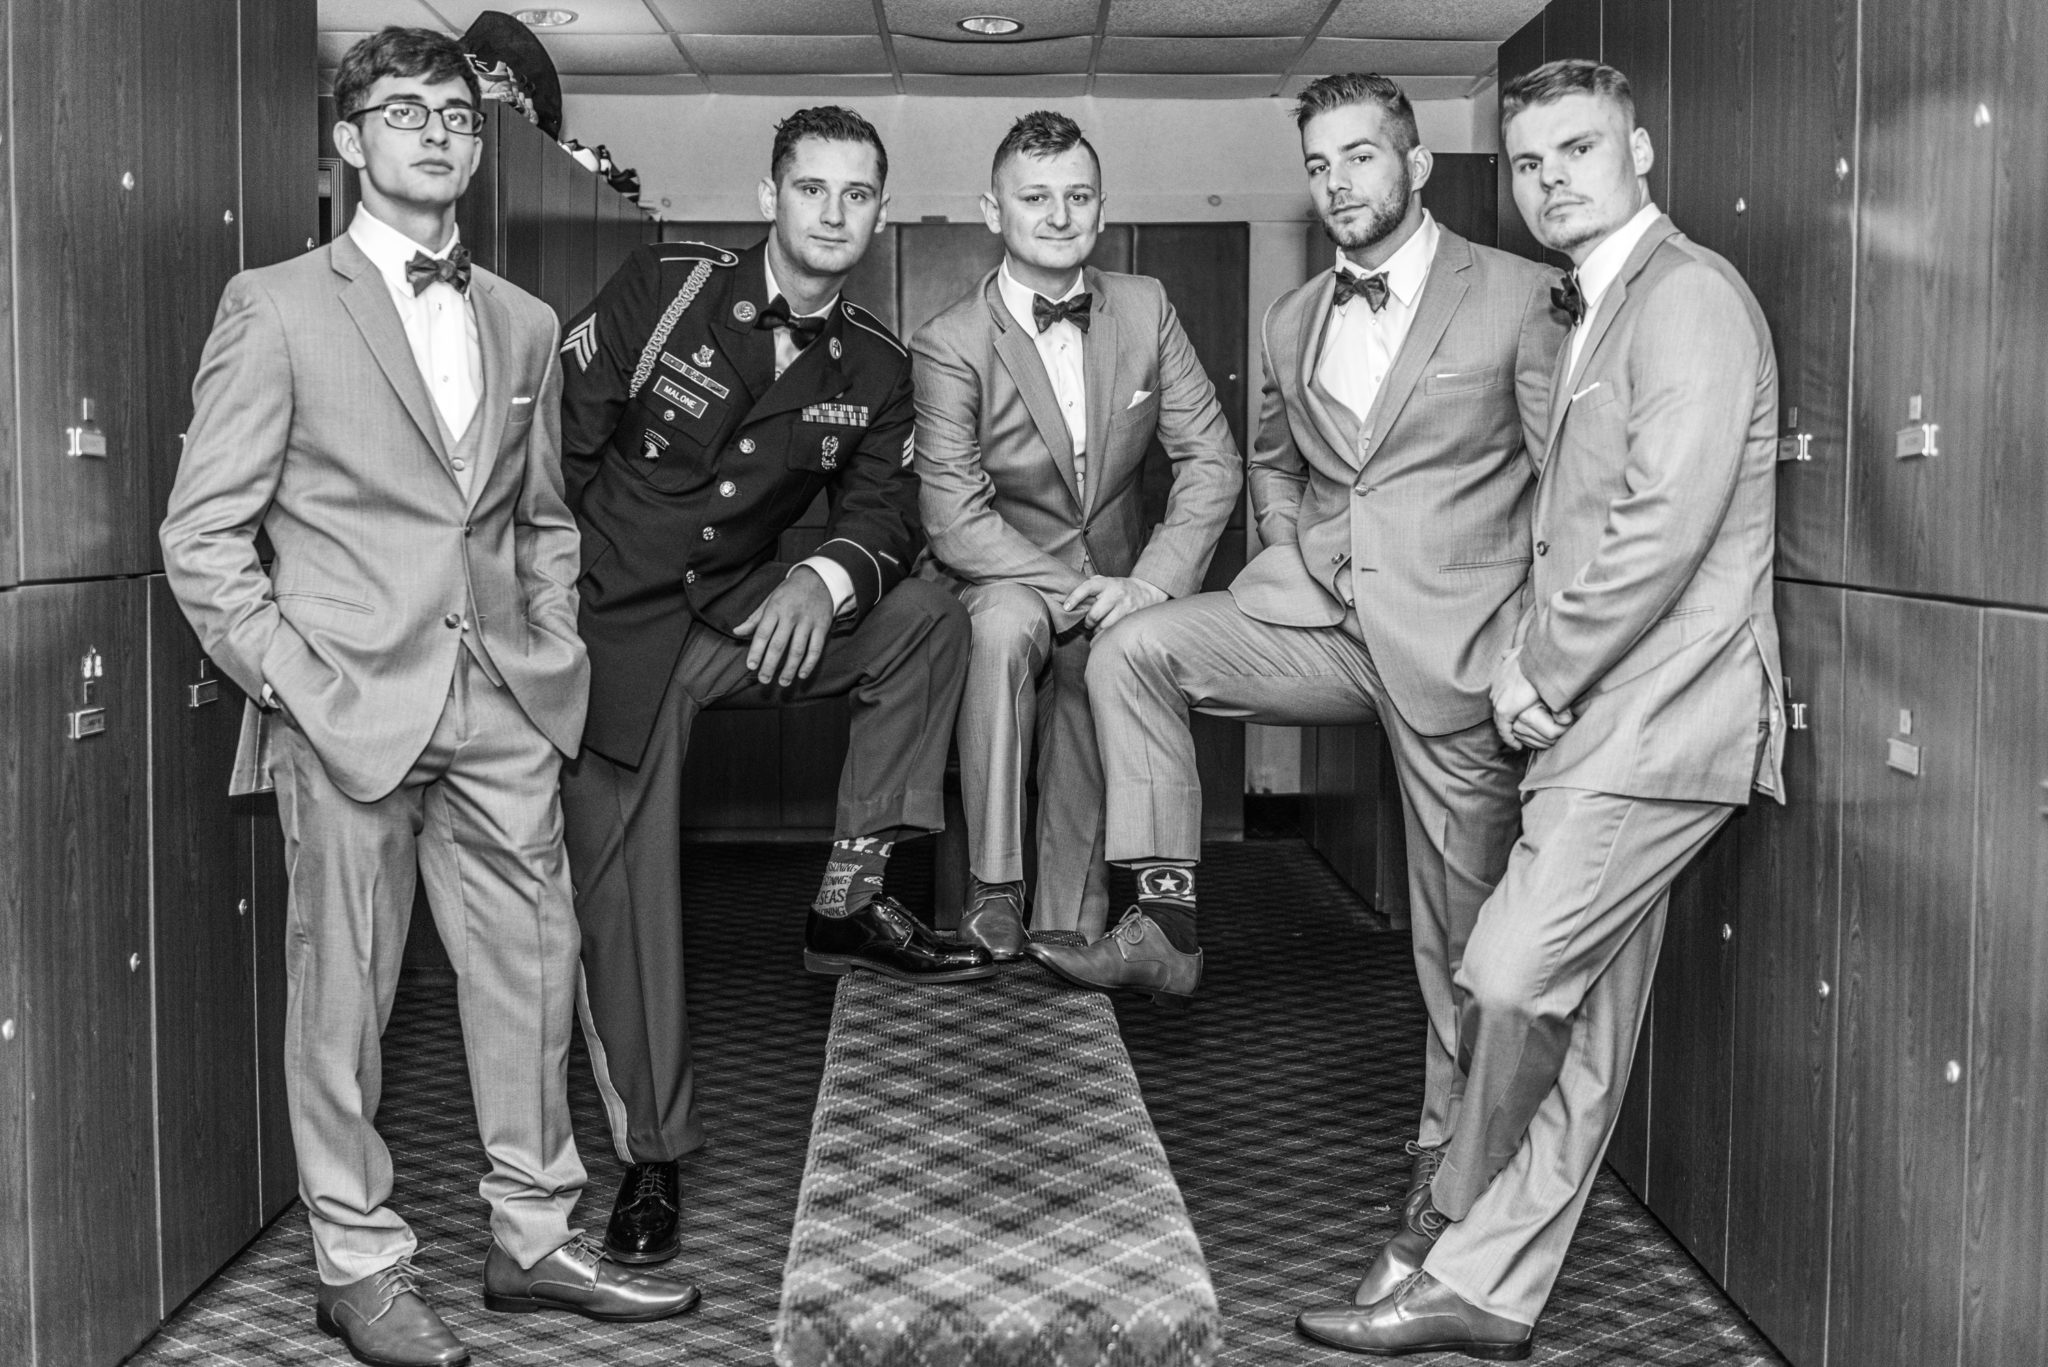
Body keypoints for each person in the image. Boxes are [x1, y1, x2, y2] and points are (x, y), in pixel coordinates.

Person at [158, 27, 699, 1367]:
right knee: (342, 996)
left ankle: (533, 1233)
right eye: (404, 111)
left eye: (455, 114)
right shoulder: (275, 304)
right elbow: (202, 536)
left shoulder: (522, 320)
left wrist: (549, 651)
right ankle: (356, 1262)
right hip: (346, 710)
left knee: (533, 972)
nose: (437, 133)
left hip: (503, 706)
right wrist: (298, 683)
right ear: (348, 140)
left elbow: (542, 519)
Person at [1296, 58, 1785, 1358]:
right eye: (1527, 161)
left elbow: (1661, 523)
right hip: (1600, 723)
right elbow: (1562, 523)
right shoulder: (1591, 308)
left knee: (1505, 976)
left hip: (1652, 719)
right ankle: (1489, 1289)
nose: (1551, 178)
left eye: (1578, 148)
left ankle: (1440, 1225)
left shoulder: (1687, 296)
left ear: (1640, 150)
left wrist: (1537, 667)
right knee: (1586, 1034)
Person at [1041, 71, 1561, 1060]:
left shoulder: (1522, 295)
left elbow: (1565, 486)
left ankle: (1453, 1139)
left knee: (1463, 942)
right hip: (1321, 623)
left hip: (1460, 649)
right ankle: (1163, 921)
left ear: (1416, 163)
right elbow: (1271, 461)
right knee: (1131, 650)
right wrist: (1293, 545)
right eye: (1318, 166)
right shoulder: (1292, 317)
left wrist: (1532, 641)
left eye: (1359, 157)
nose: (1337, 184)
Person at [557, 105, 986, 1270]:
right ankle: (652, 1150)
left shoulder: (878, 364)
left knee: (925, 617)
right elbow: (557, 460)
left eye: (857, 194)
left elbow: (885, 512)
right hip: (615, 627)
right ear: (769, 197)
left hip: (744, 614)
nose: (833, 213)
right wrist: (545, 637)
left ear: (878, 212)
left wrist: (822, 576)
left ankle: (849, 893)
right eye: (811, 188)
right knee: (625, 896)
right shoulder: (666, 292)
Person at [910, 110, 1242, 953]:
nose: (1060, 216)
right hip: (1001, 580)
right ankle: (994, 886)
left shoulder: (1146, 306)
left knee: (1109, 662)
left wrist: (1148, 584)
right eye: (1035, 197)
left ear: (1101, 207)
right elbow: (953, 518)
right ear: (994, 212)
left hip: (1121, 581)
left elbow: (1213, 462)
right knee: (1007, 626)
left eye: (1079, 196)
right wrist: (1086, 593)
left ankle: (1064, 926)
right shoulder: (950, 340)